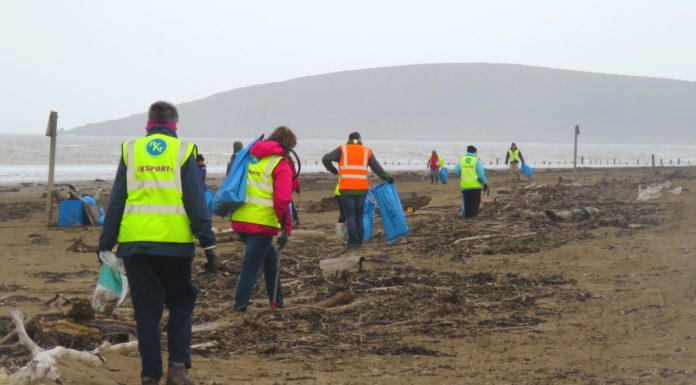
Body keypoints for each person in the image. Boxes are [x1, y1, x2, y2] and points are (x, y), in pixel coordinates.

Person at [98, 101, 219, 385]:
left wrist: (105, 243)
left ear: (148, 126)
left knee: (147, 313)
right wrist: (209, 245)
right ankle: (178, 369)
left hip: (135, 245)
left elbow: (116, 201)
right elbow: (195, 201)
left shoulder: (131, 150)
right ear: (174, 125)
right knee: (181, 301)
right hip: (175, 245)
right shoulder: (183, 151)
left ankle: (150, 376)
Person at [230, 126, 296, 311]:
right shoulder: (280, 164)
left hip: (240, 220)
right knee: (250, 268)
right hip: (261, 225)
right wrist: (286, 230)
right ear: (288, 146)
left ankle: (277, 301)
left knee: (271, 259)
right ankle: (239, 306)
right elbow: (282, 201)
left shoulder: (251, 158)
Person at [322, 131, 392, 248]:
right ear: (360, 140)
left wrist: (333, 170)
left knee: (350, 216)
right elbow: (377, 168)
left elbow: (325, 159)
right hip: (361, 189)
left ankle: (353, 242)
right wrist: (387, 177)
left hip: (346, 189)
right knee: (359, 216)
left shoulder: (342, 150)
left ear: (349, 139)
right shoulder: (366, 151)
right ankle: (359, 240)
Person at [457, 145, 488, 218]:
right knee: (475, 203)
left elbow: (457, 171)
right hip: (475, 186)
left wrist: (464, 175)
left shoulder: (462, 159)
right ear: (475, 151)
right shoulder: (476, 160)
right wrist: (485, 183)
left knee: (466, 203)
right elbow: (481, 174)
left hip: (465, 185)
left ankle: (466, 216)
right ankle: (473, 217)